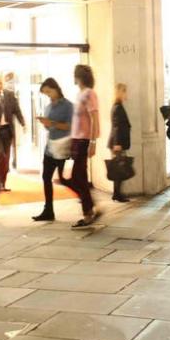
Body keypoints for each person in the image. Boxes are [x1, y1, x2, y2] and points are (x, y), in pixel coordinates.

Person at [32, 78, 73, 221]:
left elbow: (69, 126)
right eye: (45, 93)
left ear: (55, 88)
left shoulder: (68, 106)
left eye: (49, 92)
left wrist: (52, 123)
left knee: (63, 178)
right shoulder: (49, 106)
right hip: (50, 147)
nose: (48, 95)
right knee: (46, 177)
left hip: (62, 147)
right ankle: (48, 210)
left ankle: (85, 198)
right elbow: (50, 126)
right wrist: (45, 123)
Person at [67, 64, 100, 228]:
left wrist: (93, 142)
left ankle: (89, 211)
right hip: (76, 140)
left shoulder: (89, 94)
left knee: (77, 177)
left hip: (83, 140)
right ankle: (90, 208)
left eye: (74, 75)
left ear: (78, 77)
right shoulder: (79, 94)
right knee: (78, 177)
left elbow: (95, 118)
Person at [108, 83, 132, 203]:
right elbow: (117, 126)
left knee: (118, 168)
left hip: (117, 142)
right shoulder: (117, 107)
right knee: (119, 168)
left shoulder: (118, 106)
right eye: (124, 91)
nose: (126, 94)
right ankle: (117, 194)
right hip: (117, 143)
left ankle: (117, 194)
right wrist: (117, 144)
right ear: (120, 93)